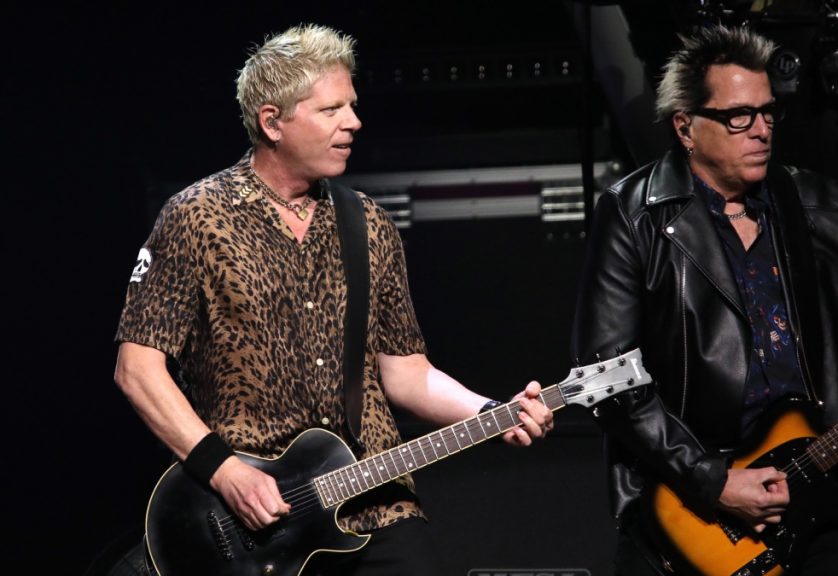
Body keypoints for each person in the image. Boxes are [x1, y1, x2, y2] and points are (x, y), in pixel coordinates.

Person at [112, 24, 553, 576]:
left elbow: (407, 374)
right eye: (331, 110)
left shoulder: (367, 223)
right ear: (272, 122)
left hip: (376, 504)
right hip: (255, 520)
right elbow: (137, 370)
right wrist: (225, 470)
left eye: (352, 106)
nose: (354, 122)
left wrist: (492, 413)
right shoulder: (196, 217)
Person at [569, 25, 838, 576]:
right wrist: (711, 479)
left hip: (817, 478)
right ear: (685, 126)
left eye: (768, 112)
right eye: (738, 116)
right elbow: (607, 377)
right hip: (690, 504)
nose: (760, 130)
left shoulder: (818, 203)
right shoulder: (635, 214)